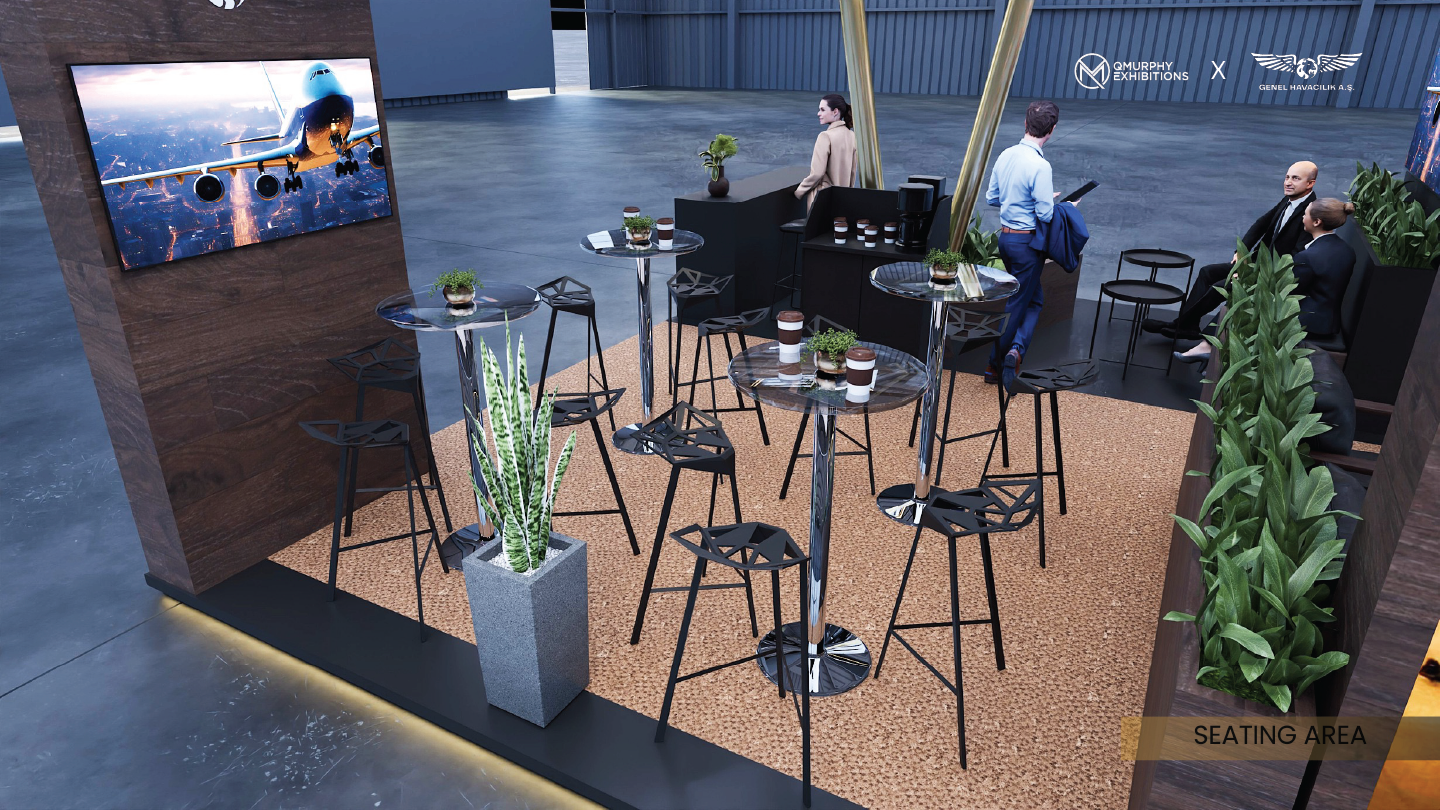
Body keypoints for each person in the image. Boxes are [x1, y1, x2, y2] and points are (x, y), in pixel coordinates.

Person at [1144, 161, 1318, 340]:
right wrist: (1241, 251)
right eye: (1287, 177)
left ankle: (1181, 325)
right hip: (1256, 262)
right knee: (1207, 272)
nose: (1288, 182)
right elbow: (1260, 225)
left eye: (1295, 178)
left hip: (1271, 274)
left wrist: (1250, 275)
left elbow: (1296, 255)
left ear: (1310, 183)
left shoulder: (1312, 211)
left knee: (1220, 287)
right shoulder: (1288, 200)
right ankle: (1187, 325)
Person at [1173, 197, 1356, 364]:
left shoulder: (1308, 256)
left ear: (1317, 222)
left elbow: (1283, 291)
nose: (1302, 218)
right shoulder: (1346, 250)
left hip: (1305, 321)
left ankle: (1209, 349)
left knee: (1241, 300)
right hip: (1327, 321)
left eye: (1305, 214)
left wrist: (1246, 283)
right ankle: (1208, 348)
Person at [984, 99, 1068, 388]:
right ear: (1052, 130)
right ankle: (995, 364)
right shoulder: (1040, 166)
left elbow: (992, 198)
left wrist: (1021, 199)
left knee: (1032, 299)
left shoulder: (1006, 155)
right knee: (1019, 304)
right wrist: (1061, 206)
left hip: (1006, 240)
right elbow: (1045, 214)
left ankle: (1015, 350)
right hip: (1027, 245)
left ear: (1025, 124)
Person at [795, 94, 857, 209]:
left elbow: (817, 173)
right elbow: (852, 173)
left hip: (822, 199)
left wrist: (799, 192)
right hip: (842, 200)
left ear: (835, 111)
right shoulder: (851, 135)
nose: (818, 114)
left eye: (822, 110)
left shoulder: (825, 136)